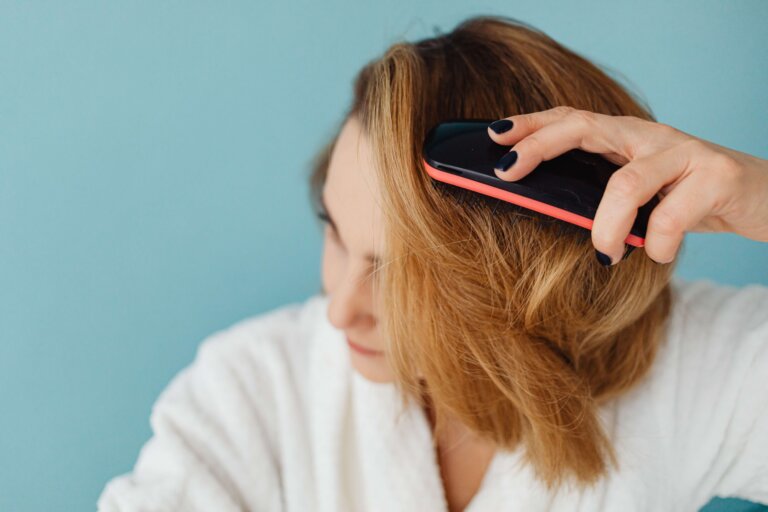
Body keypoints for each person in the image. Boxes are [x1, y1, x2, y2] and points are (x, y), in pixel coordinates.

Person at [98, 15, 768, 512]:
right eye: (334, 233)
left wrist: (761, 198)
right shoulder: (252, 391)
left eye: (397, 273)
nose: (339, 309)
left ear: (517, 276)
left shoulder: (690, 367)